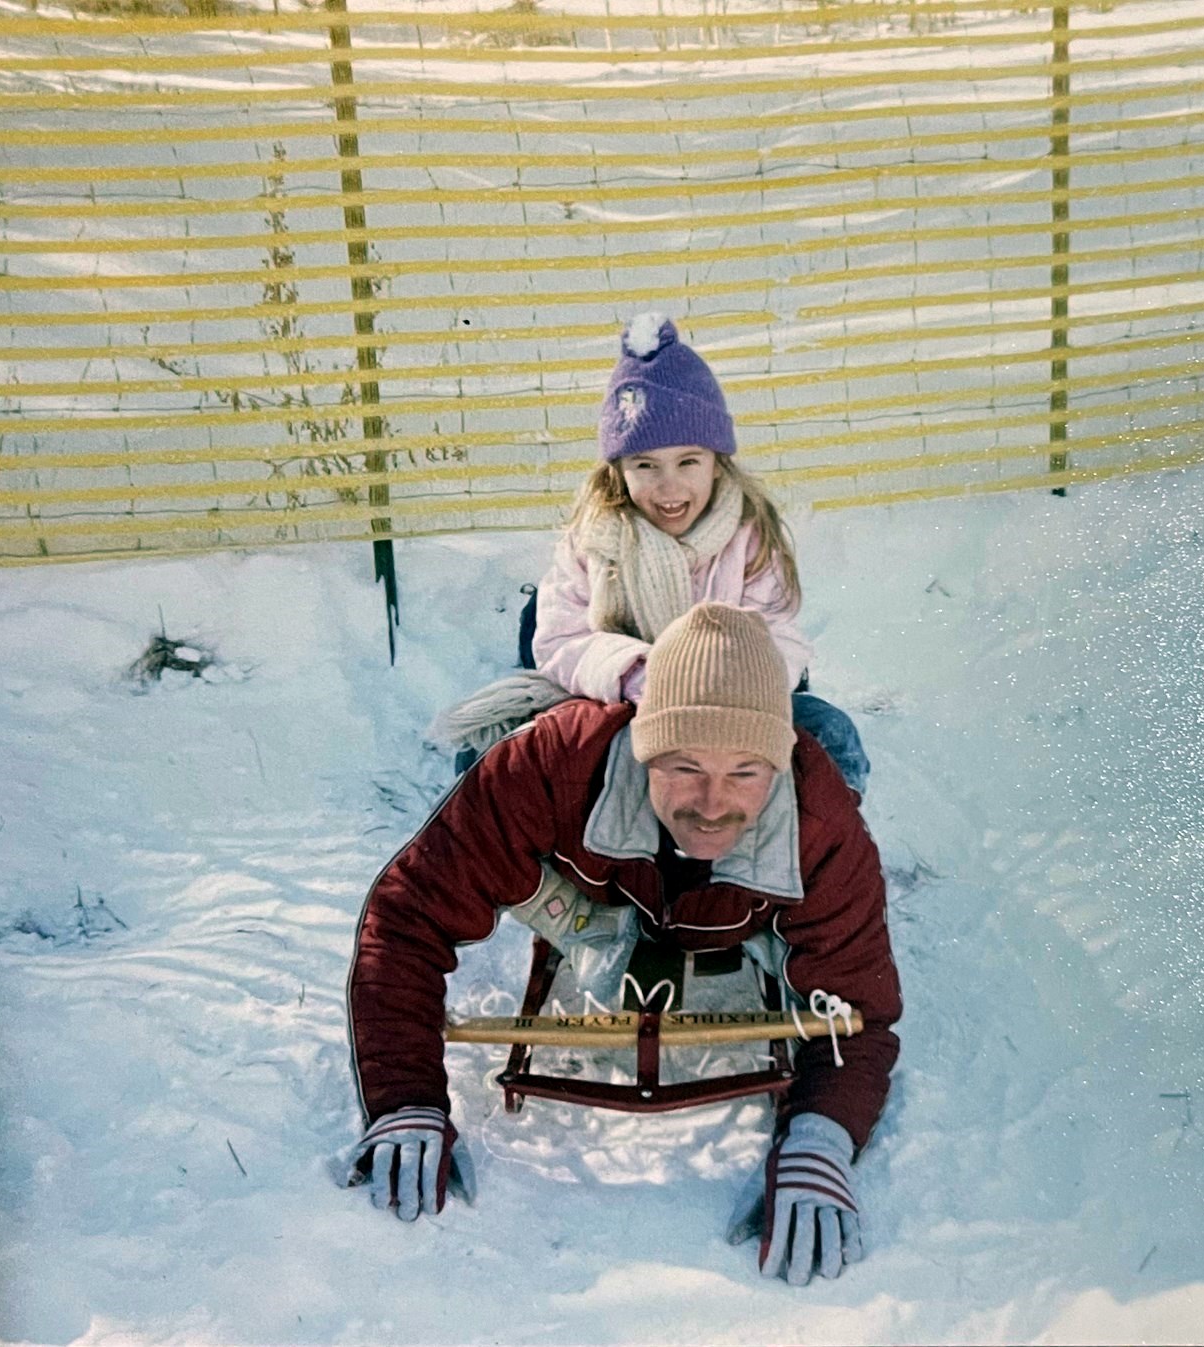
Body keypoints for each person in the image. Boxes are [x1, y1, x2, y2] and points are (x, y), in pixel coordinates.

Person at [346, 603, 901, 1285]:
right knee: (477, 795)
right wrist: (406, 1099)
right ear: (642, 744)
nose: (711, 802)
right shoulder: (555, 763)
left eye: (746, 772)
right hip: (593, 893)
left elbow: (861, 1007)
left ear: (780, 762)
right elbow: (408, 915)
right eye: (684, 765)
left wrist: (822, 1137)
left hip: (735, 912)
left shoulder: (819, 818)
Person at [433, 313, 870, 796]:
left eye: (688, 462)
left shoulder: (749, 537)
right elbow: (560, 640)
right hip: (613, 702)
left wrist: (710, 690)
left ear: (718, 465)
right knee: (495, 755)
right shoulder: (595, 537)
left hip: (732, 708)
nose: (669, 486)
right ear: (619, 471)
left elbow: (778, 639)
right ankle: (521, 865)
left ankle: (806, 859)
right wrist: (647, 677)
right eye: (646, 465)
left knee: (829, 734)